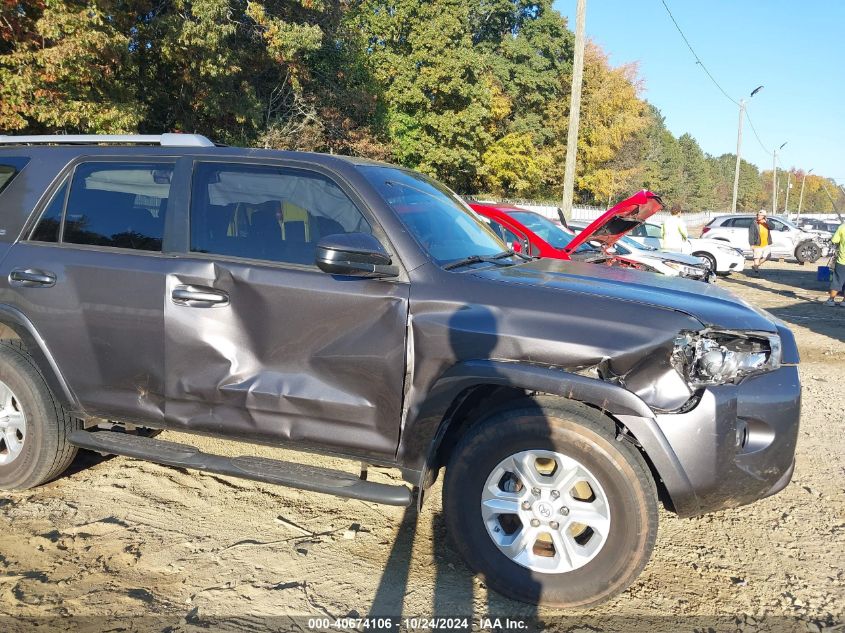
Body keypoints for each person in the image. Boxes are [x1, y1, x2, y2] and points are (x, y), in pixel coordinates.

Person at [824, 219, 845, 307]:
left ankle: (831, 299)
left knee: (837, 280)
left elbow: (835, 240)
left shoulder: (842, 227)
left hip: (842, 260)